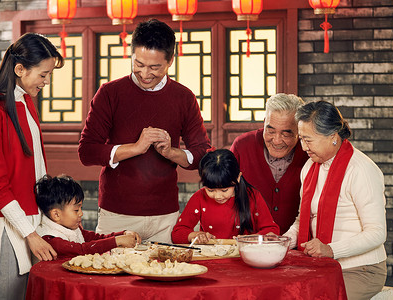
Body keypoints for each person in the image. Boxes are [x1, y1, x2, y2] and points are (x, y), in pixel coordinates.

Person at [78, 19, 210, 243]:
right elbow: (87, 151)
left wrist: (171, 153)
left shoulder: (183, 97)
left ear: (170, 61)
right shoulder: (109, 93)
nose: (145, 73)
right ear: (131, 55)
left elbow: (202, 153)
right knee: (111, 276)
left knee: (164, 274)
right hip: (116, 217)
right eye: (138, 64)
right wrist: (136, 148)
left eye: (154, 67)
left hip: (165, 218)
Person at [0, 33, 63, 300]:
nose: (46, 82)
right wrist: (30, 234)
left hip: (34, 220)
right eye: (43, 75)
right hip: (6, 226)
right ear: (20, 68)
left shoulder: (26, 102)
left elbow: (37, 169)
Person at [283, 101, 387, 300]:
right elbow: (302, 219)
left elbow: (377, 232)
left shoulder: (361, 170)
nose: (303, 147)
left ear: (332, 136)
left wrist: (331, 249)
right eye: (301, 139)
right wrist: (283, 242)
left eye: (308, 140)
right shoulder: (309, 168)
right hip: (321, 266)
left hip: (361, 270)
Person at [230, 93, 308, 234]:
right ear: (264, 122)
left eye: (286, 134)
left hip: (297, 244)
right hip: (248, 243)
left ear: (299, 129)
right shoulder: (242, 146)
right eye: (270, 131)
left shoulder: (309, 152)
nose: (277, 140)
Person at [171, 149, 280, 244]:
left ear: (238, 178)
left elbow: (272, 229)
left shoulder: (252, 196)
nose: (218, 196)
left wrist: (255, 238)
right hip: (210, 258)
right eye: (210, 190)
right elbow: (177, 233)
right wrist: (194, 236)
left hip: (245, 257)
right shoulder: (199, 197)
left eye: (224, 190)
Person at [34, 175, 141, 259]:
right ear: (56, 214)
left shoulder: (72, 228)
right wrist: (117, 241)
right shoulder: (49, 238)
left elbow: (96, 238)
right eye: (76, 210)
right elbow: (81, 250)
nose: (81, 213)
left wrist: (123, 234)